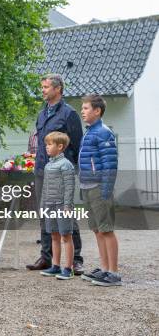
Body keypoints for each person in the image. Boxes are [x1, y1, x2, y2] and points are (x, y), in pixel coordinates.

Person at [26, 74, 84, 274]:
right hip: (42, 170)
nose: (42, 90)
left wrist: (73, 172)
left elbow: (77, 146)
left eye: (46, 87)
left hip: (61, 172)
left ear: (58, 89)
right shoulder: (42, 114)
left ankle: (75, 259)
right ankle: (47, 257)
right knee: (45, 214)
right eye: (42, 86)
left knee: (65, 213)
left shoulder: (69, 114)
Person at [78, 94, 120, 286]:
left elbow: (109, 165)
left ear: (97, 111)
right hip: (87, 187)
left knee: (106, 230)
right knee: (97, 230)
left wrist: (105, 191)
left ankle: (113, 273)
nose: (82, 111)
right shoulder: (89, 132)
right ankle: (104, 269)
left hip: (99, 189)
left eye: (86, 108)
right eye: (83, 108)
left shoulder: (104, 132)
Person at [38, 132, 76, 280]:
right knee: (54, 236)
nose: (47, 147)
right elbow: (45, 188)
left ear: (60, 146)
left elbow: (70, 187)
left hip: (62, 206)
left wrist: (67, 206)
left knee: (66, 236)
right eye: (46, 144)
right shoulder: (48, 165)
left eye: (49, 144)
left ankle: (68, 268)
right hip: (49, 205)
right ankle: (55, 266)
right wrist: (42, 205)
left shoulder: (66, 165)